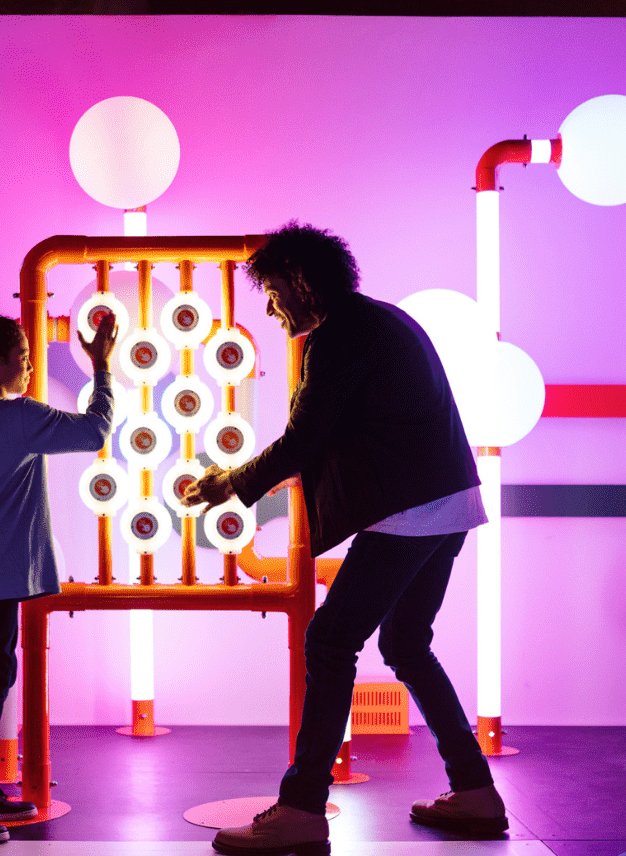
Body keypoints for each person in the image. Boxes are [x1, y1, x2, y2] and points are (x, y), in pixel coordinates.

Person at [183, 222, 505, 855]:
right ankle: (474, 791)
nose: (274, 308)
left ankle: (302, 809)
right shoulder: (380, 321)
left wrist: (231, 485)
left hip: (407, 510)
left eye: (274, 292)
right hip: (446, 502)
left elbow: (306, 439)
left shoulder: (340, 338)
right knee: (407, 644)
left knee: (330, 641)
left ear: (302, 282)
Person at [0, 311, 118, 845]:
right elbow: (96, 431)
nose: (31, 369)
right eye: (25, 360)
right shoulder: (18, 417)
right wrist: (101, 367)